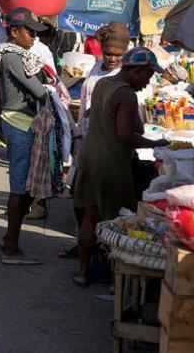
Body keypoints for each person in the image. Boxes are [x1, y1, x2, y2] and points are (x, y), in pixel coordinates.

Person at [71, 47, 168, 287]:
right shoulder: (126, 95)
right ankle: (117, 279)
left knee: (90, 215)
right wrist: (158, 144)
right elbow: (125, 136)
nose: (147, 82)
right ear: (136, 70)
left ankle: (82, 272)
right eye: (147, 76)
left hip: (89, 157)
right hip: (110, 162)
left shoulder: (103, 84)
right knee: (117, 221)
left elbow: (104, 117)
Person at [60, 21, 129, 256]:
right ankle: (84, 245)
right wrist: (78, 135)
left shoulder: (126, 74)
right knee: (79, 199)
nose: (111, 58)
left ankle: (99, 251)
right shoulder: (96, 68)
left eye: (117, 55)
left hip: (109, 146)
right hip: (87, 139)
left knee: (100, 204)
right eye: (108, 53)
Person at [0, 7, 49, 265]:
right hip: (19, 124)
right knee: (19, 189)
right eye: (29, 32)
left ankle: (7, 238)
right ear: (14, 32)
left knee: (23, 188)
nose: (33, 37)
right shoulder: (13, 57)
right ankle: (11, 248)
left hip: (19, 123)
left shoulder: (13, 54)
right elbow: (39, 91)